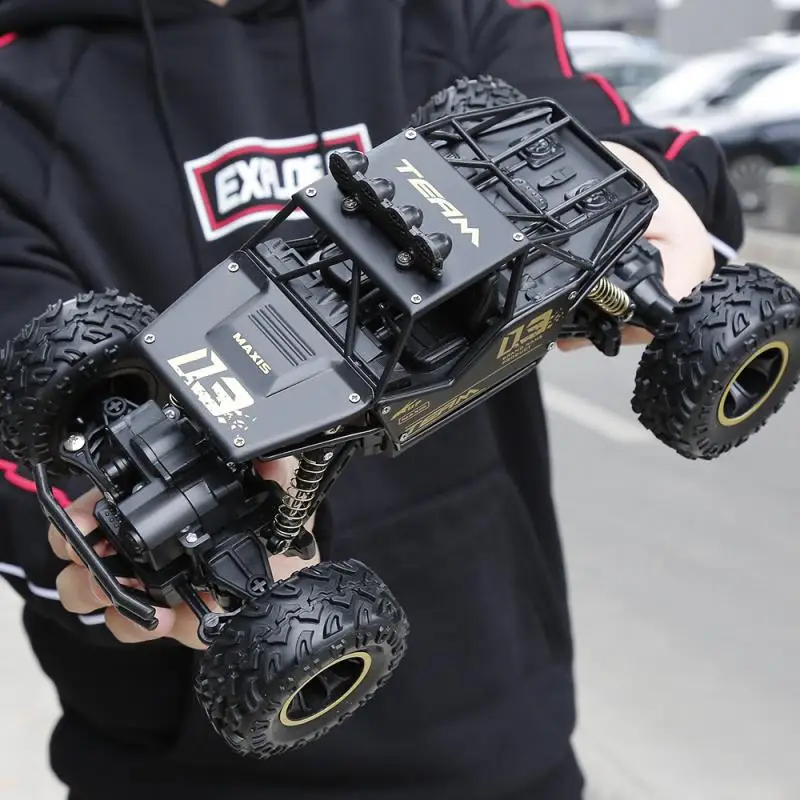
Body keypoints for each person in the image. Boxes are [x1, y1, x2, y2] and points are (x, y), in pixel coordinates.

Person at [0, 1, 743, 799]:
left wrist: (642, 190)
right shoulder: (20, 87)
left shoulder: (448, 14)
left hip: (500, 739)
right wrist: (131, 555)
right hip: (182, 770)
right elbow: (19, 384)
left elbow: (615, 140)